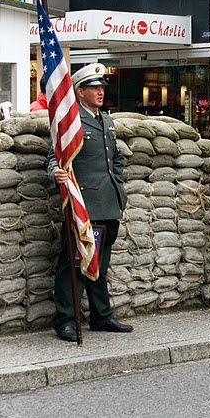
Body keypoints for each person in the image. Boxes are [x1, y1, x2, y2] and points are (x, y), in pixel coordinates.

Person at [47, 63, 132, 342]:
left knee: (101, 264)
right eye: (94, 88)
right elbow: (54, 158)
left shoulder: (106, 120)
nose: (100, 92)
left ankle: (102, 316)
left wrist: (117, 182)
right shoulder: (70, 122)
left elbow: (115, 158)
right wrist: (56, 173)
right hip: (84, 204)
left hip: (108, 202)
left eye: (102, 88)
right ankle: (66, 319)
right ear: (79, 91)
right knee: (73, 264)